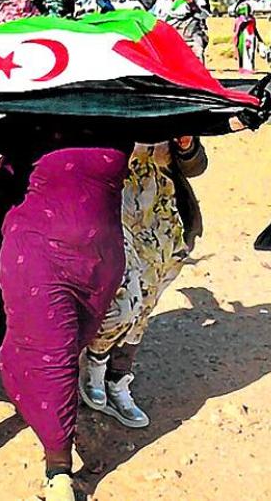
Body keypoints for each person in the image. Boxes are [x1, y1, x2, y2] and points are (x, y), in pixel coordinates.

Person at [0, 98, 268, 501]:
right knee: (51, 355)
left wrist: (244, 116)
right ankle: (59, 469)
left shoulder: (121, 113)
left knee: (75, 344)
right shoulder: (33, 113)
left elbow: (185, 122)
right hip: (35, 252)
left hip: (99, 262)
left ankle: (85, 389)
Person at [81, 137, 207, 428]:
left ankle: (118, 378)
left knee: (145, 305)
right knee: (125, 298)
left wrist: (187, 145)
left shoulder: (174, 111)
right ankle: (95, 361)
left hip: (162, 217)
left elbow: (196, 166)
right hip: (112, 208)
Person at [232, 0, 261, 73]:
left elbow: (254, 28)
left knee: (251, 53)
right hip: (243, 37)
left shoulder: (250, 19)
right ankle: (242, 68)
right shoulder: (240, 20)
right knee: (243, 53)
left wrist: (259, 38)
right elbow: (237, 30)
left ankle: (250, 68)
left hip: (250, 37)